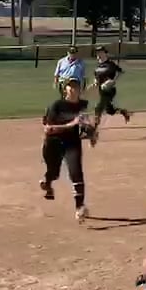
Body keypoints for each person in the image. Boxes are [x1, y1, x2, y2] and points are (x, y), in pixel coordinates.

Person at [40, 79, 94, 222]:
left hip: (72, 143)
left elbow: (86, 123)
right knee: (53, 172)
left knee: (76, 173)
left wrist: (91, 133)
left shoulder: (83, 105)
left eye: (76, 86)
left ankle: (79, 208)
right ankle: (48, 183)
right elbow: (49, 129)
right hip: (53, 143)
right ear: (65, 90)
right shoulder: (56, 105)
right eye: (70, 86)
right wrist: (72, 124)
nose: (73, 89)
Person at [92, 46, 134, 125]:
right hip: (101, 90)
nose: (98, 54)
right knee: (110, 111)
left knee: (99, 107)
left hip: (110, 90)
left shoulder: (111, 64)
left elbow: (120, 72)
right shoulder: (98, 66)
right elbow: (96, 77)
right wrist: (95, 82)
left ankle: (94, 128)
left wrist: (112, 81)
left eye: (100, 52)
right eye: (97, 52)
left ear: (105, 53)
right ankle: (123, 112)